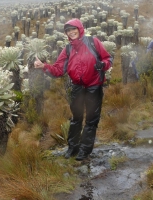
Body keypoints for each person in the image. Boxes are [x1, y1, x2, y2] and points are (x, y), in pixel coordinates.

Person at [34, 18, 113, 161]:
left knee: (91, 120)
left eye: (73, 29)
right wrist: (44, 66)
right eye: (68, 31)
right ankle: (72, 147)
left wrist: (103, 65)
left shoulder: (93, 42)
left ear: (80, 28)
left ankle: (84, 150)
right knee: (76, 118)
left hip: (94, 86)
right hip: (77, 87)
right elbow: (58, 70)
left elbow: (109, 59)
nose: (71, 32)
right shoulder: (68, 49)